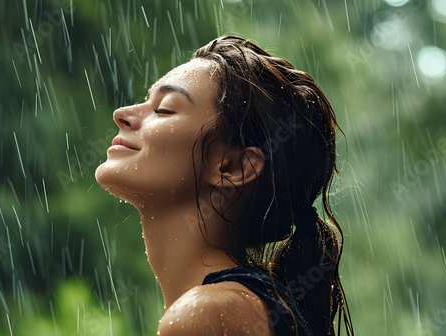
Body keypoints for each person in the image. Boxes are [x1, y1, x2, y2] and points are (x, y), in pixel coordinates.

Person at [95, 35, 353, 336]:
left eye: (164, 109)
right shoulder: (245, 306)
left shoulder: (210, 314)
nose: (122, 114)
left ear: (232, 167)